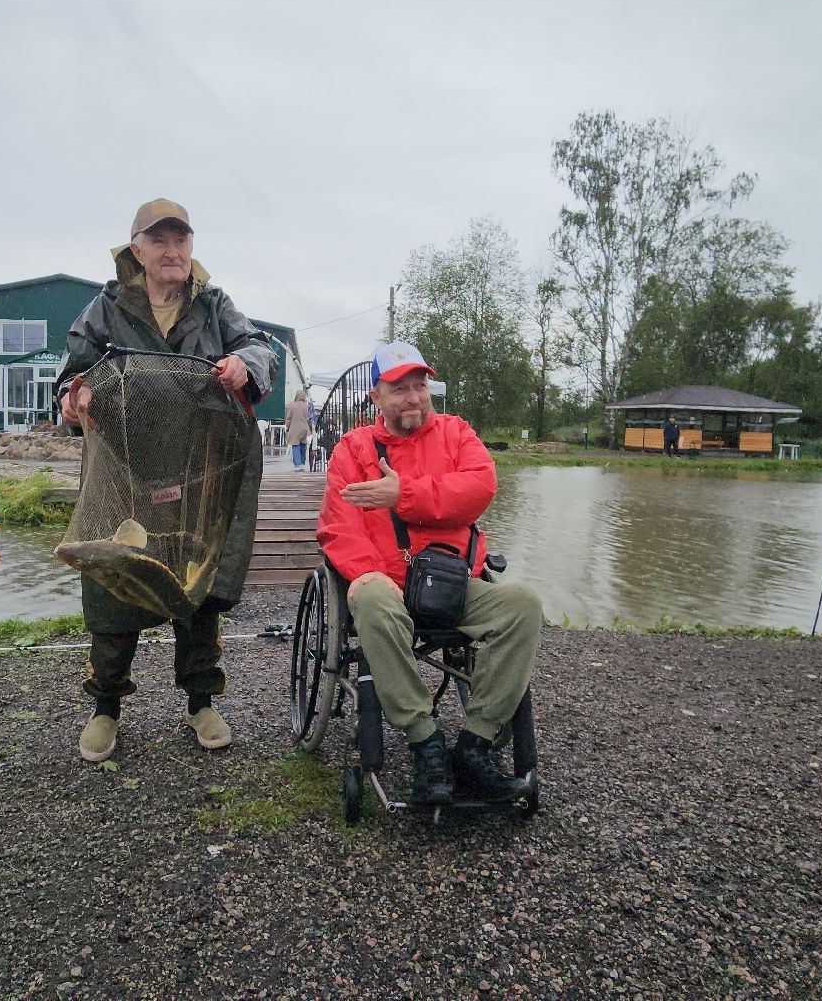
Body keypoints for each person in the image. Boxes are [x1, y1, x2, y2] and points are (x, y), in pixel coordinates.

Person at [57, 199, 274, 763]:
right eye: (159, 241)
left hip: (197, 476)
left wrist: (245, 364)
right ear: (138, 251)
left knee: (195, 588)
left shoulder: (215, 306)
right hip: (125, 476)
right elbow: (71, 373)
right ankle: (106, 707)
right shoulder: (105, 308)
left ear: (192, 248)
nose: (172, 250)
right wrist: (72, 397)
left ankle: (201, 699)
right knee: (111, 585)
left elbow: (259, 347)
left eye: (181, 239)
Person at [317, 341, 544, 805]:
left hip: (453, 582)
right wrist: (365, 572)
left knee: (523, 605)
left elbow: (478, 490)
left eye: (419, 385)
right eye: (399, 388)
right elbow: (338, 524)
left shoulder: (458, 434)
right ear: (376, 398)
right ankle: (425, 741)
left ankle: (475, 743)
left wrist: (404, 494)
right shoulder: (353, 448)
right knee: (371, 599)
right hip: (388, 584)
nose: (414, 397)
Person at [285, 389, 313, 471]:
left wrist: (287, 426)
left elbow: (288, 418)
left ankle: (297, 464)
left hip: (294, 429)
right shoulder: (307, 406)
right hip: (305, 429)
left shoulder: (292, 405)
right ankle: (302, 463)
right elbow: (310, 418)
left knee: (295, 446)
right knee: (303, 446)